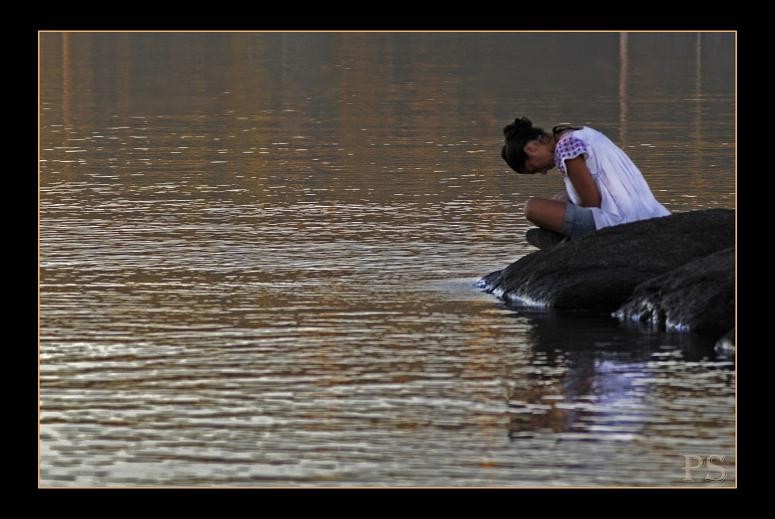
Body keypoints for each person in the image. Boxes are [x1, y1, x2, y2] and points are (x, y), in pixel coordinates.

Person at [500, 117, 671, 239]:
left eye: (533, 168)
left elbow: (592, 203)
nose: (543, 172)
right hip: (647, 212)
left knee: (532, 208)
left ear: (531, 149)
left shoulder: (567, 149)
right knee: (561, 198)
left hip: (617, 222)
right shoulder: (580, 134)